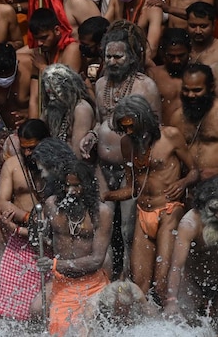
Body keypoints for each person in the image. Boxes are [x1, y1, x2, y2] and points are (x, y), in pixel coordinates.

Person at [80, 22, 159, 275]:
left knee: (127, 229)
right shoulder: (101, 84)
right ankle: (102, 280)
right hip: (103, 169)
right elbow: (100, 120)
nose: (112, 61)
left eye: (118, 56)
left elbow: (158, 130)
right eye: (108, 56)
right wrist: (91, 135)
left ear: (131, 57)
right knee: (101, 223)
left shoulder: (145, 86)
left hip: (131, 169)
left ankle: (128, 282)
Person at [107, 95, 196, 297]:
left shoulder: (171, 136)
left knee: (162, 283)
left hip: (169, 211)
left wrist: (182, 183)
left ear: (144, 119)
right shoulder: (127, 144)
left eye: (131, 126)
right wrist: (106, 196)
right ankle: (143, 326)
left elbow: (194, 172)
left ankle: (169, 325)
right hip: (143, 214)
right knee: (139, 285)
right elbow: (132, 190)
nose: (129, 132)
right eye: (124, 127)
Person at [0, 126, 63, 321]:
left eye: (32, 147)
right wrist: (29, 219)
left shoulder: (57, 167)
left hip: (51, 241)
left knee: (45, 310)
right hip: (20, 242)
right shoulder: (12, 165)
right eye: (23, 147)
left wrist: (42, 224)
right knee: (11, 311)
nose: (27, 153)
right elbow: (2, 203)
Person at [37, 160, 113, 336]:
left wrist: (55, 264)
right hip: (62, 282)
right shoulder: (51, 205)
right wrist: (36, 231)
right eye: (66, 186)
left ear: (87, 185)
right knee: (37, 311)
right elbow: (42, 238)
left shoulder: (101, 212)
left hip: (91, 284)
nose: (70, 192)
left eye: (76, 186)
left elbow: (96, 260)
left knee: (83, 329)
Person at [164, 177, 218, 317]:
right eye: (213, 209)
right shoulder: (190, 224)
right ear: (201, 206)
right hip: (192, 282)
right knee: (190, 322)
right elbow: (177, 267)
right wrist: (171, 301)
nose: (217, 216)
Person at [23, 9, 81, 119]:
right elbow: (35, 99)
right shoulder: (40, 54)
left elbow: (66, 91)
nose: (40, 43)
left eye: (44, 38)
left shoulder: (72, 49)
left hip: (73, 111)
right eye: (37, 39)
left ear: (57, 30)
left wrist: (43, 68)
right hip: (50, 111)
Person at [169, 64, 218, 181]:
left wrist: (215, 172)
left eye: (197, 90)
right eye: (186, 90)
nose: (190, 95)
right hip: (188, 185)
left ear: (211, 87)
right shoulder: (176, 118)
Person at [39, 64, 96, 156]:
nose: (52, 98)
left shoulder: (81, 109)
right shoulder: (52, 106)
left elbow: (77, 154)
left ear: (68, 89)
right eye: (49, 94)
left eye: (56, 94)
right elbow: (37, 133)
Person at [147, 28, 191, 124]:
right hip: (162, 134)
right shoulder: (152, 75)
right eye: (171, 56)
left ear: (189, 52)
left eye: (181, 55)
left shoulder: (199, 76)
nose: (176, 61)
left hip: (191, 133)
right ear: (163, 54)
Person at [186, 1, 218, 66]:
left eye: (203, 26)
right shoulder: (181, 48)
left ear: (213, 25)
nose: (198, 31)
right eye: (193, 26)